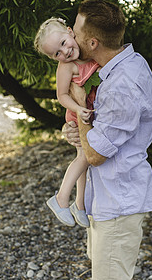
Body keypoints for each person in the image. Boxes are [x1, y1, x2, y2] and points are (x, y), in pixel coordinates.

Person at [63, 0, 152, 280]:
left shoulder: (121, 85)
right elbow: (98, 133)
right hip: (107, 198)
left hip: (118, 203)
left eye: (76, 33)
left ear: (92, 43)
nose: (71, 36)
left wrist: (79, 106)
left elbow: (95, 155)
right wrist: (75, 130)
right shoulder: (128, 63)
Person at [34, 17, 100, 228]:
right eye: (56, 54)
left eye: (63, 43)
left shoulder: (89, 55)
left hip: (88, 113)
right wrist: (78, 109)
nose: (64, 53)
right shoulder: (66, 67)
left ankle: (79, 205)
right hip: (76, 114)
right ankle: (61, 198)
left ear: (70, 32)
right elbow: (62, 96)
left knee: (85, 161)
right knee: (84, 158)